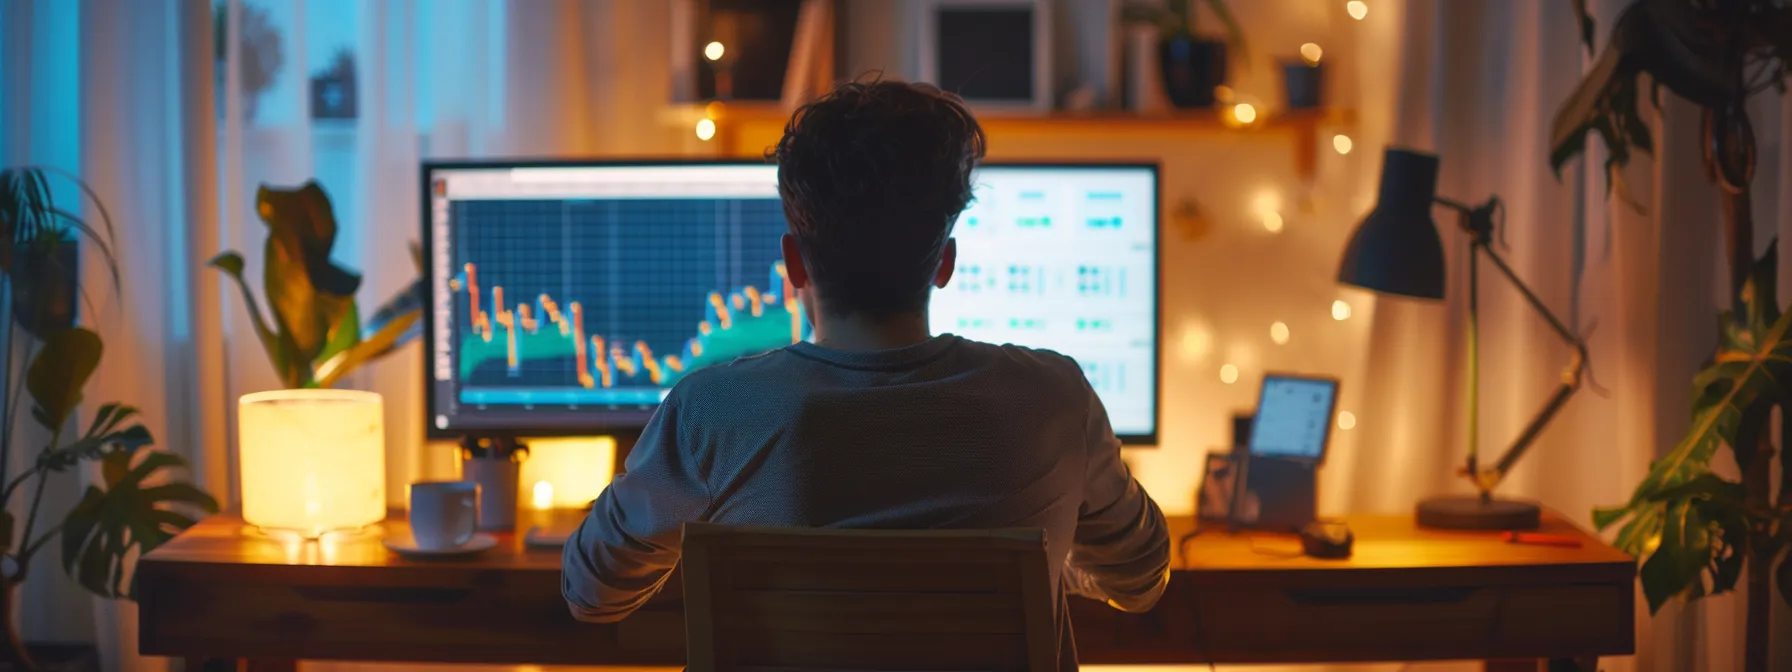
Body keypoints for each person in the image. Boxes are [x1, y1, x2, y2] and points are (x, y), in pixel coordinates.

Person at [562, 77, 1170, 668]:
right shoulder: (1054, 397)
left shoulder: (711, 411)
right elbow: (1141, 579)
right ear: (945, 263)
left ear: (794, 263)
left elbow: (591, 595)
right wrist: (1050, 559)